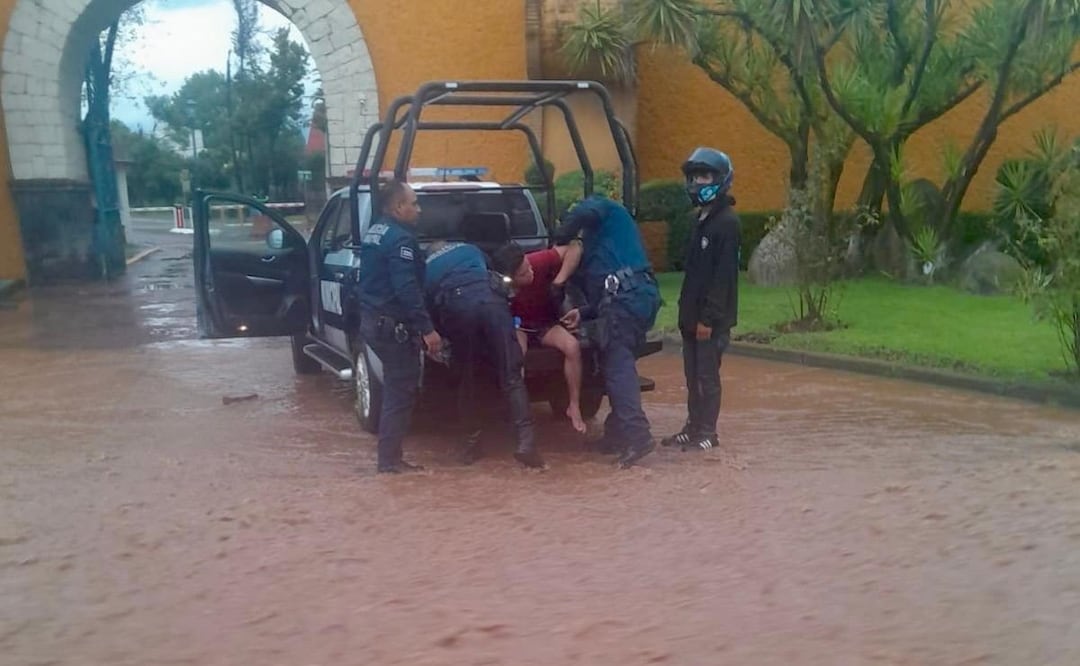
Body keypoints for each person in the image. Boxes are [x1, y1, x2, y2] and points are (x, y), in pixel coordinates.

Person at [553, 194, 661, 468]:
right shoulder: (594, 250)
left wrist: (559, 239)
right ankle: (616, 436)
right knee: (617, 364)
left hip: (628, 297)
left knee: (617, 367)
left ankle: (638, 436)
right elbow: (597, 295)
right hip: (634, 298)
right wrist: (583, 313)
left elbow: (586, 211)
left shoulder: (607, 211)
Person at [423, 240, 544, 469]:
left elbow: (428, 312)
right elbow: (495, 277)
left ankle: (472, 445)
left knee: (467, 379)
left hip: (458, 308)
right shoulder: (470, 248)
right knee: (512, 376)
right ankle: (526, 443)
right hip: (492, 304)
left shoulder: (426, 268)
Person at [357, 180, 442, 474]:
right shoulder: (401, 240)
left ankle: (389, 458)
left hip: (372, 320)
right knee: (399, 390)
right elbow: (407, 289)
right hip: (392, 326)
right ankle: (390, 461)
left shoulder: (375, 232)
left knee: (396, 387)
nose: (418, 209)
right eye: (414, 203)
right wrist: (428, 330)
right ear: (398, 207)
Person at [662, 147, 740, 452]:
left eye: (704, 175)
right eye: (693, 176)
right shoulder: (700, 220)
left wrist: (709, 318)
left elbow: (722, 278)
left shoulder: (727, 223)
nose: (697, 182)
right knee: (692, 377)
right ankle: (692, 427)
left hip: (711, 320)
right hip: (690, 317)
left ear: (720, 179)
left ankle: (708, 432)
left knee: (707, 377)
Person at [492, 241, 587, 433]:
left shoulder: (537, 262)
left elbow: (575, 247)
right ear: (510, 279)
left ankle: (574, 406)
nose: (530, 273)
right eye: (524, 273)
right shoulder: (498, 287)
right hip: (519, 326)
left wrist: (559, 281)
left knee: (572, 347)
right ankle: (519, 413)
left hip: (545, 322)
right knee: (516, 356)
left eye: (528, 267)